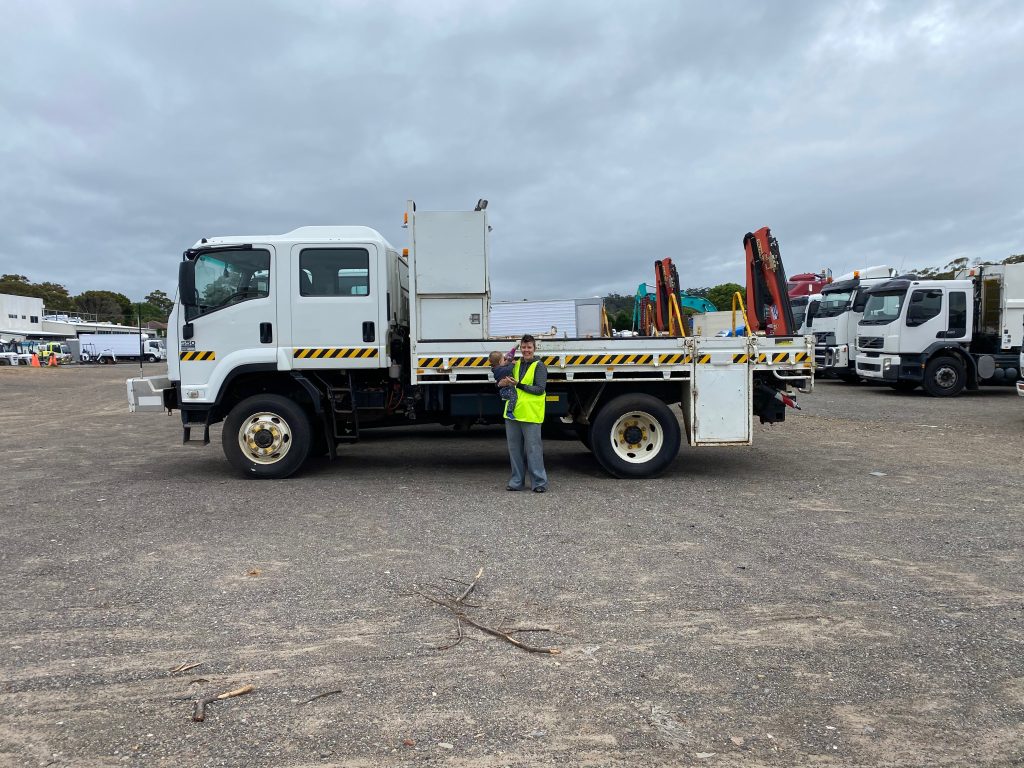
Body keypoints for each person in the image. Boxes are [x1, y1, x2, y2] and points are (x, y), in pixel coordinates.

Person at [499, 334, 548, 493]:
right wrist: (502, 380)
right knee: (514, 450)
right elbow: (503, 380)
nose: (526, 350)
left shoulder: (539, 366)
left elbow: (540, 389)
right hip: (513, 413)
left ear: (534, 348)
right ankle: (516, 481)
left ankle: (539, 482)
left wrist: (519, 385)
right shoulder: (515, 364)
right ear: (520, 348)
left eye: (529, 347)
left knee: (534, 449)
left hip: (530, 413)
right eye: (524, 347)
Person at [488, 344, 519, 418]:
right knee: (514, 397)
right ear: (499, 362)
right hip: (504, 390)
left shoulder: (498, 367)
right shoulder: (498, 370)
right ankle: (509, 411)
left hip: (508, 388)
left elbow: (508, 359)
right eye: (503, 359)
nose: (505, 360)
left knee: (515, 396)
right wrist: (512, 364)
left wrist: (513, 349)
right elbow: (507, 370)